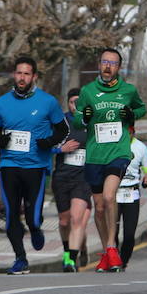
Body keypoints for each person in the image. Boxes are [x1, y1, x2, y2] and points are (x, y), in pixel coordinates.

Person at [0, 57, 67, 275]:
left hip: (35, 167)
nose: (22, 77)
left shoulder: (48, 102)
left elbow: (63, 130)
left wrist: (49, 142)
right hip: (9, 165)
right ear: (14, 75)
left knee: (33, 217)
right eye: (18, 73)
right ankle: (20, 259)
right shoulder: (1, 103)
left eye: (26, 74)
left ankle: (35, 229)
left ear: (34, 77)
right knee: (11, 214)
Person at [77, 48, 147, 273]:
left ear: (119, 68)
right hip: (95, 154)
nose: (108, 66)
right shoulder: (88, 91)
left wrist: (132, 115)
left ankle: (111, 247)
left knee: (109, 197)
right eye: (104, 62)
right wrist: (84, 117)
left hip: (118, 153)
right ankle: (107, 252)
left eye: (113, 63)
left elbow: (141, 108)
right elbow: (77, 120)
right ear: (99, 65)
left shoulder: (127, 90)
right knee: (98, 207)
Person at [50, 88, 91, 272]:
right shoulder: (60, 123)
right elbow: (44, 146)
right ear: (68, 103)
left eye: (79, 102)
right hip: (62, 177)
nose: (76, 105)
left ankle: (70, 260)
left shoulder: (91, 123)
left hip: (83, 178)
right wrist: (61, 149)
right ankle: (70, 250)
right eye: (73, 102)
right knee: (64, 221)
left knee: (76, 218)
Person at [117, 134, 147, 270]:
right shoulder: (114, 144)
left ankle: (124, 261)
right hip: (115, 192)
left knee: (129, 233)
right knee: (112, 231)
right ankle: (113, 258)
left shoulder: (140, 147)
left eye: (130, 131)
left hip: (132, 192)